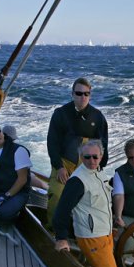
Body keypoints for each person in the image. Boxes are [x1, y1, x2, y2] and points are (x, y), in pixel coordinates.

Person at [46, 77, 109, 224]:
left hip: (86, 165)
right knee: (57, 195)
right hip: (64, 163)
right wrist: (59, 167)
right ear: (72, 94)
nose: (83, 97)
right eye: (79, 93)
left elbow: (103, 144)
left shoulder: (98, 117)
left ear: (90, 95)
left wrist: (99, 169)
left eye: (86, 94)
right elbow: (52, 143)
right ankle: (53, 230)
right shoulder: (60, 113)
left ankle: (81, 233)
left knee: (90, 199)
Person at [52, 140, 118, 267]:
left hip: (106, 232)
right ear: (81, 157)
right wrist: (61, 238)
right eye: (87, 157)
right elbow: (62, 210)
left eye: (95, 157)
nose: (91, 160)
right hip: (92, 236)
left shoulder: (99, 173)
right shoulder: (77, 181)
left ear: (101, 156)